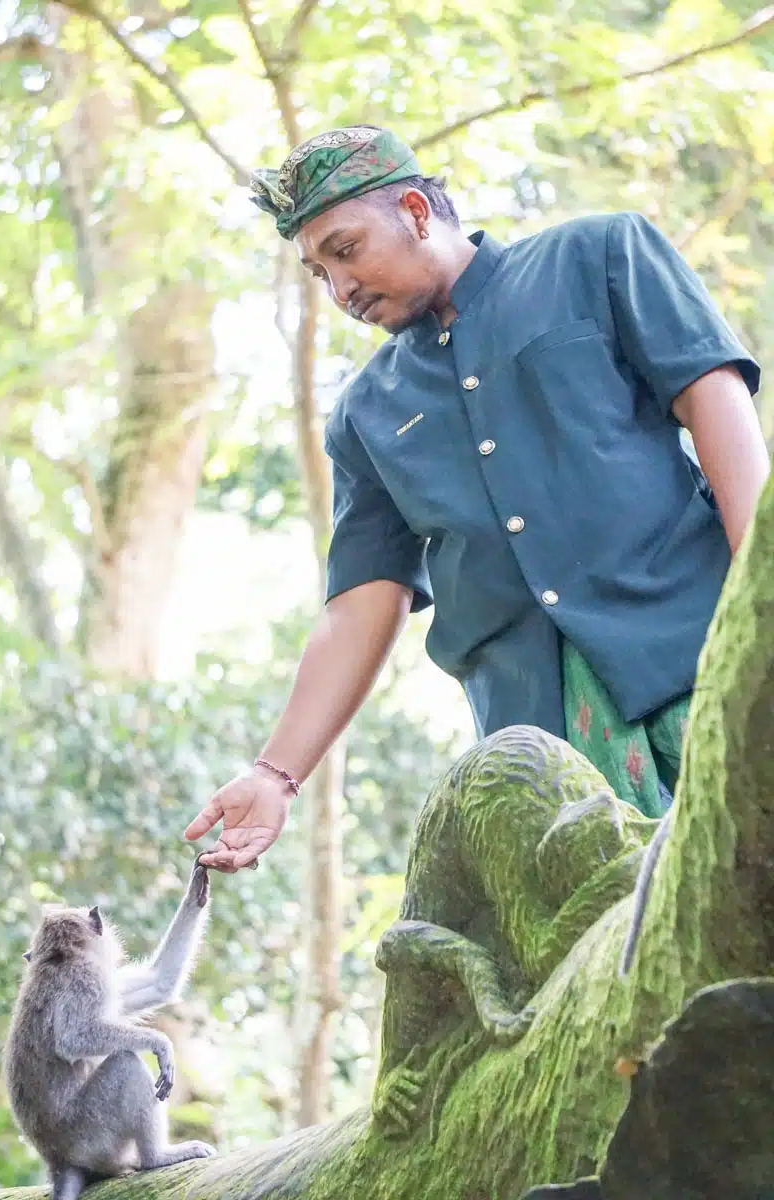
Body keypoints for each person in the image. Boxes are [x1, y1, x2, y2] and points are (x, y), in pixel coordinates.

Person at [184, 125, 770, 873]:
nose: (340, 289)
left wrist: (763, 595)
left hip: (701, 665)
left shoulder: (596, 256)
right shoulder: (366, 412)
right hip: (539, 762)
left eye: (346, 250)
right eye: (317, 273)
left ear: (416, 211)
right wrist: (275, 774)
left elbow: (714, 401)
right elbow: (362, 599)